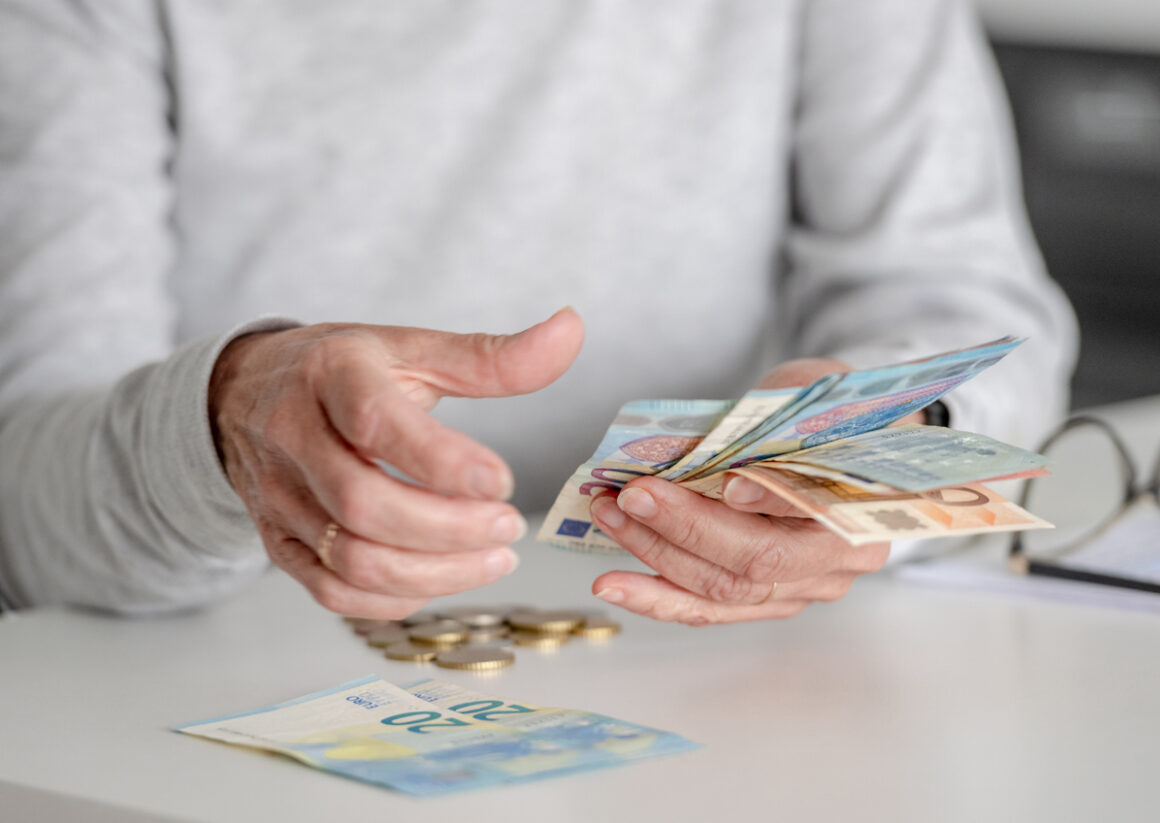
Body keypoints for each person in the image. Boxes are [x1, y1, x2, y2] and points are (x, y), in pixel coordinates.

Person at [0, 0, 1077, 623]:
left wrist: (865, 464)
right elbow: (25, 507)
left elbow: (973, 311)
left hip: (724, 691)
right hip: (195, 705)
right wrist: (222, 420)